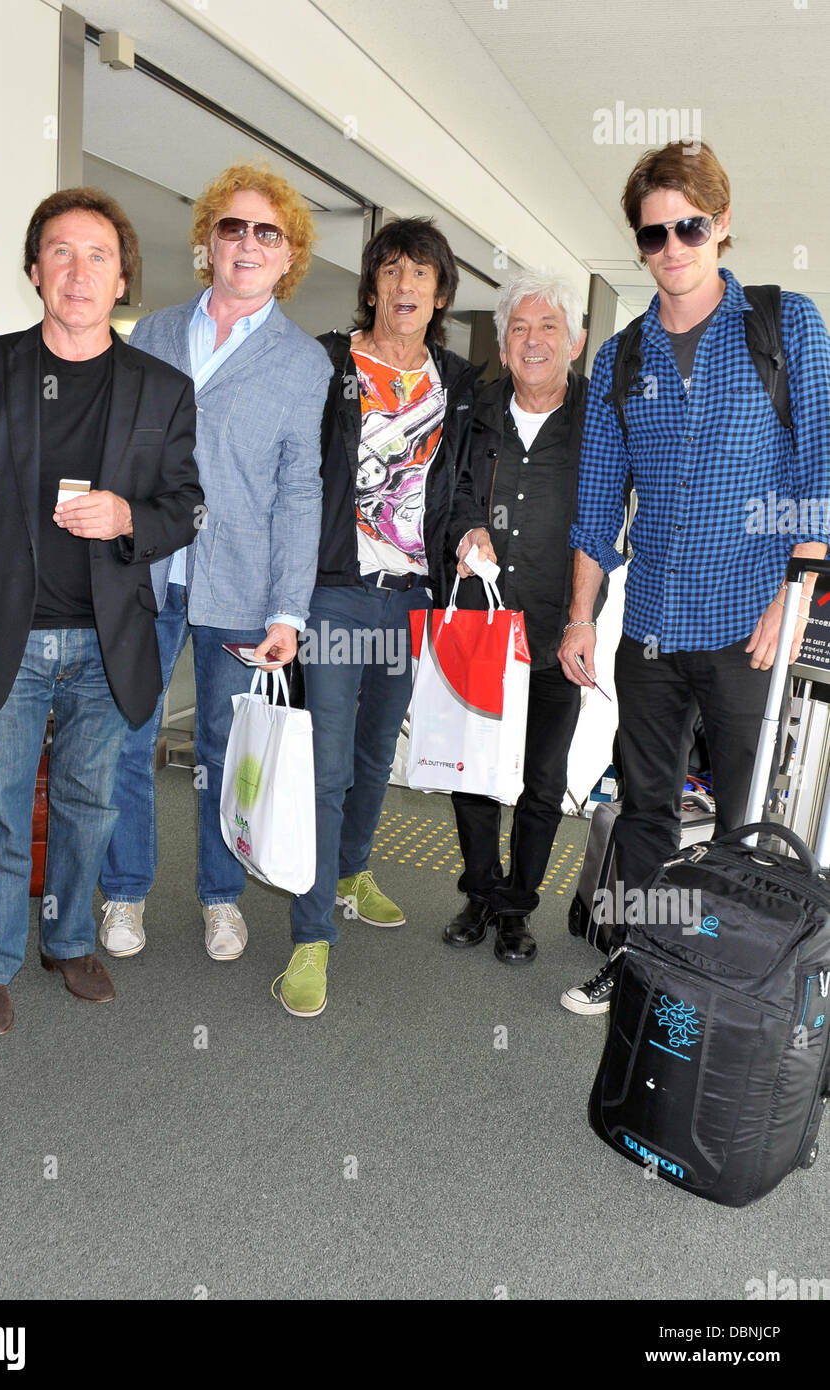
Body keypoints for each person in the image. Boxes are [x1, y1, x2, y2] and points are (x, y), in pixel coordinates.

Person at [0, 187, 204, 1036]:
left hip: (111, 640)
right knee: (0, 806)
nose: (80, 272)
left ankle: (70, 939)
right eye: (62, 253)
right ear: (36, 270)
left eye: (99, 256)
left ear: (122, 281)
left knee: (90, 804)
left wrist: (129, 519)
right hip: (2, 634)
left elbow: (185, 506)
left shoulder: (162, 388)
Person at [557, 140, 830, 1016]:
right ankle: (637, 962)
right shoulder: (620, 359)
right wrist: (577, 618)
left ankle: (735, 985)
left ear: (722, 227)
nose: (672, 246)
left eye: (690, 226)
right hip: (653, 631)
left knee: (749, 822)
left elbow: (820, 469)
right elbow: (598, 503)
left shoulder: (786, 325)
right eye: (653, 234)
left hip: (750, 626)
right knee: (644, 808)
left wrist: (794, 597)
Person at [97, 164, 331, 964]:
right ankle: (124, 891)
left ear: (288, 254)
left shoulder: (304, 365)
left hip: (240, 587)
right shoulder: (154, 334)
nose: (248, 243)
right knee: (128, 735)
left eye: (268, 232)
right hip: (145, 573)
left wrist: (288, 612)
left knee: (225, 755)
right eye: (234, 226)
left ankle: (221, 897)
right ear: (208, 240)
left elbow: (301, 493)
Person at [274, 217, 478, 1017]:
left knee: (371, 753)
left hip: (410, 600)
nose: (405, 287)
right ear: (372, 286)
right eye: (392, 271)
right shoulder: (328, 362)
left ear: (439, 294)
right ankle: (311, 934)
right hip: (334, 591)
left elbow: (458, 485)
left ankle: (353, 867)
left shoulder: (456, 381)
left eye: (420, 275)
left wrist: (471, 530)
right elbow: (293, 472)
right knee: (325, 765)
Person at [444, 268, 601, 963]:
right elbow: (445, 494)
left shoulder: (602, 419)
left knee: (542, 779)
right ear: (503, 345)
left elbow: (605, 524)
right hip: (480, 623)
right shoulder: (473, 410)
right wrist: (466, 527)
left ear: (575, 341)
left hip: (557, 630)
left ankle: (516, 907)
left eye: (548, 327)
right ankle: (479, 891)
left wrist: (584, 617)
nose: (533, 340)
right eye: (519, 328)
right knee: (473, 771)